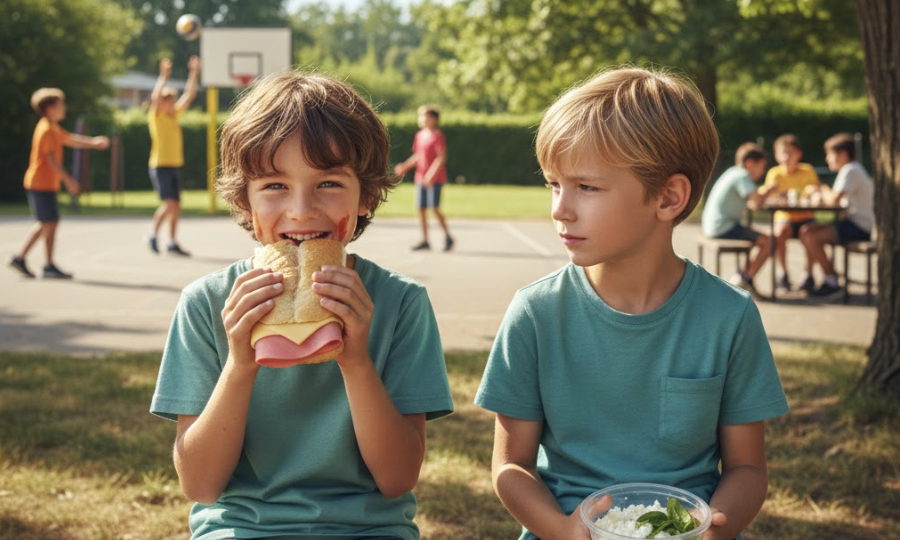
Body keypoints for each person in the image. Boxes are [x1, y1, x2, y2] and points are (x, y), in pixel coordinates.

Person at [474, 67, 789, 540]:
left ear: (668, 198)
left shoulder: (730, 317)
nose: (560, 208)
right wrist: (561, 530)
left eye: (587, 187)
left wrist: (712, 529)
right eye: (554, 184)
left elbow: (747, 469)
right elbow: (510, 466)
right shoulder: (535, 314)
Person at [150, 71, 453, 540]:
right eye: (274, 186)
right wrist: (239, 364)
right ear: (244, 202)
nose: (301, 209)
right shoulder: (207, 304)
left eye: (329, 183)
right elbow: (200, 484)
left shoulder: (400, 303)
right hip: (241, 529)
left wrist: (356, 361)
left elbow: (397, 479)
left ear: (366, 195)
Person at [9, 88, 109, 279]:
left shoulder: (53, 127)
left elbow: (70, 139)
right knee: (47, 222)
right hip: (39, 182)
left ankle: (43, 264)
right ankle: (25, 258)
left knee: (50, 222)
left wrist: (93, 143)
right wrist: (69, 180)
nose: (64, 108)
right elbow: (49, 159)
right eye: (60, 105)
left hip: (46, 184)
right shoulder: (46, 129)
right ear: (49, 108)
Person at [798, 133, 875, 297]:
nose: (827, 159)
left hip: (858, 227)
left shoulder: (851, 170)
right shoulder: (852, 169)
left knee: (811, 236)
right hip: (851, 222)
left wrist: (820, 187)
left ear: (843, 154)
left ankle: (831, 281)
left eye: (830, 154)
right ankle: (820, 275)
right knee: (807, 230)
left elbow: (833, 200)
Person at [701, 142, 777, 298]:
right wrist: (769, 191)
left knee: (759, 238)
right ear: (749, 163)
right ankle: (745, 278)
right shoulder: (742, 175)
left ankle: (744, 275)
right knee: (769, 241)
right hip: (723, 226)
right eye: (761, 167)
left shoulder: (732, 172)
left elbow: (751, 202)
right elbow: (756, 200)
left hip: (713, 224)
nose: (762, 172)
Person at [146, 55, 200, 256]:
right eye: (167, 101)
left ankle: (171, 241)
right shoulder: (156, 115)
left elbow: (189, 94)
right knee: (169, 203)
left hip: (174, 164)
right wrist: (163, 76)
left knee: (176, 206)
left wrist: (194, 71)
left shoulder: (174, 114)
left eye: (172, 101)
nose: (171, 104)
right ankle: (152, 234)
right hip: (159, 165)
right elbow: (155, 96)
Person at [758, 134, 820, 292]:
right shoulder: (775, 173)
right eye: (782, 153)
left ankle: (808, 273)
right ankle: (783, 273)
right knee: (779, 233)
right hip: (784, 217)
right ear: (777, 155)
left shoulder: (808, 171)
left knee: (811, 234)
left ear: (798, 153)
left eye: (790, 152)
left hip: (806, 217)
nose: (786, 157)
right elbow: (766, 196)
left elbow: (814, 192)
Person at [393, 105, 454, 251]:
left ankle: (447, 235)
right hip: (420, 178)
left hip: (435, 179)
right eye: (420, 116)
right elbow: (418, 156)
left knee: (434, 208)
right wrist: (404, 166)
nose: (420, 119)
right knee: (421, 209)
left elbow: (441, 157)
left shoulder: (437, 136)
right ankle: (425, 240)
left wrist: (430, 175)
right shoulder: (419, 136)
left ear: (433, 119)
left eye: (424, 116)